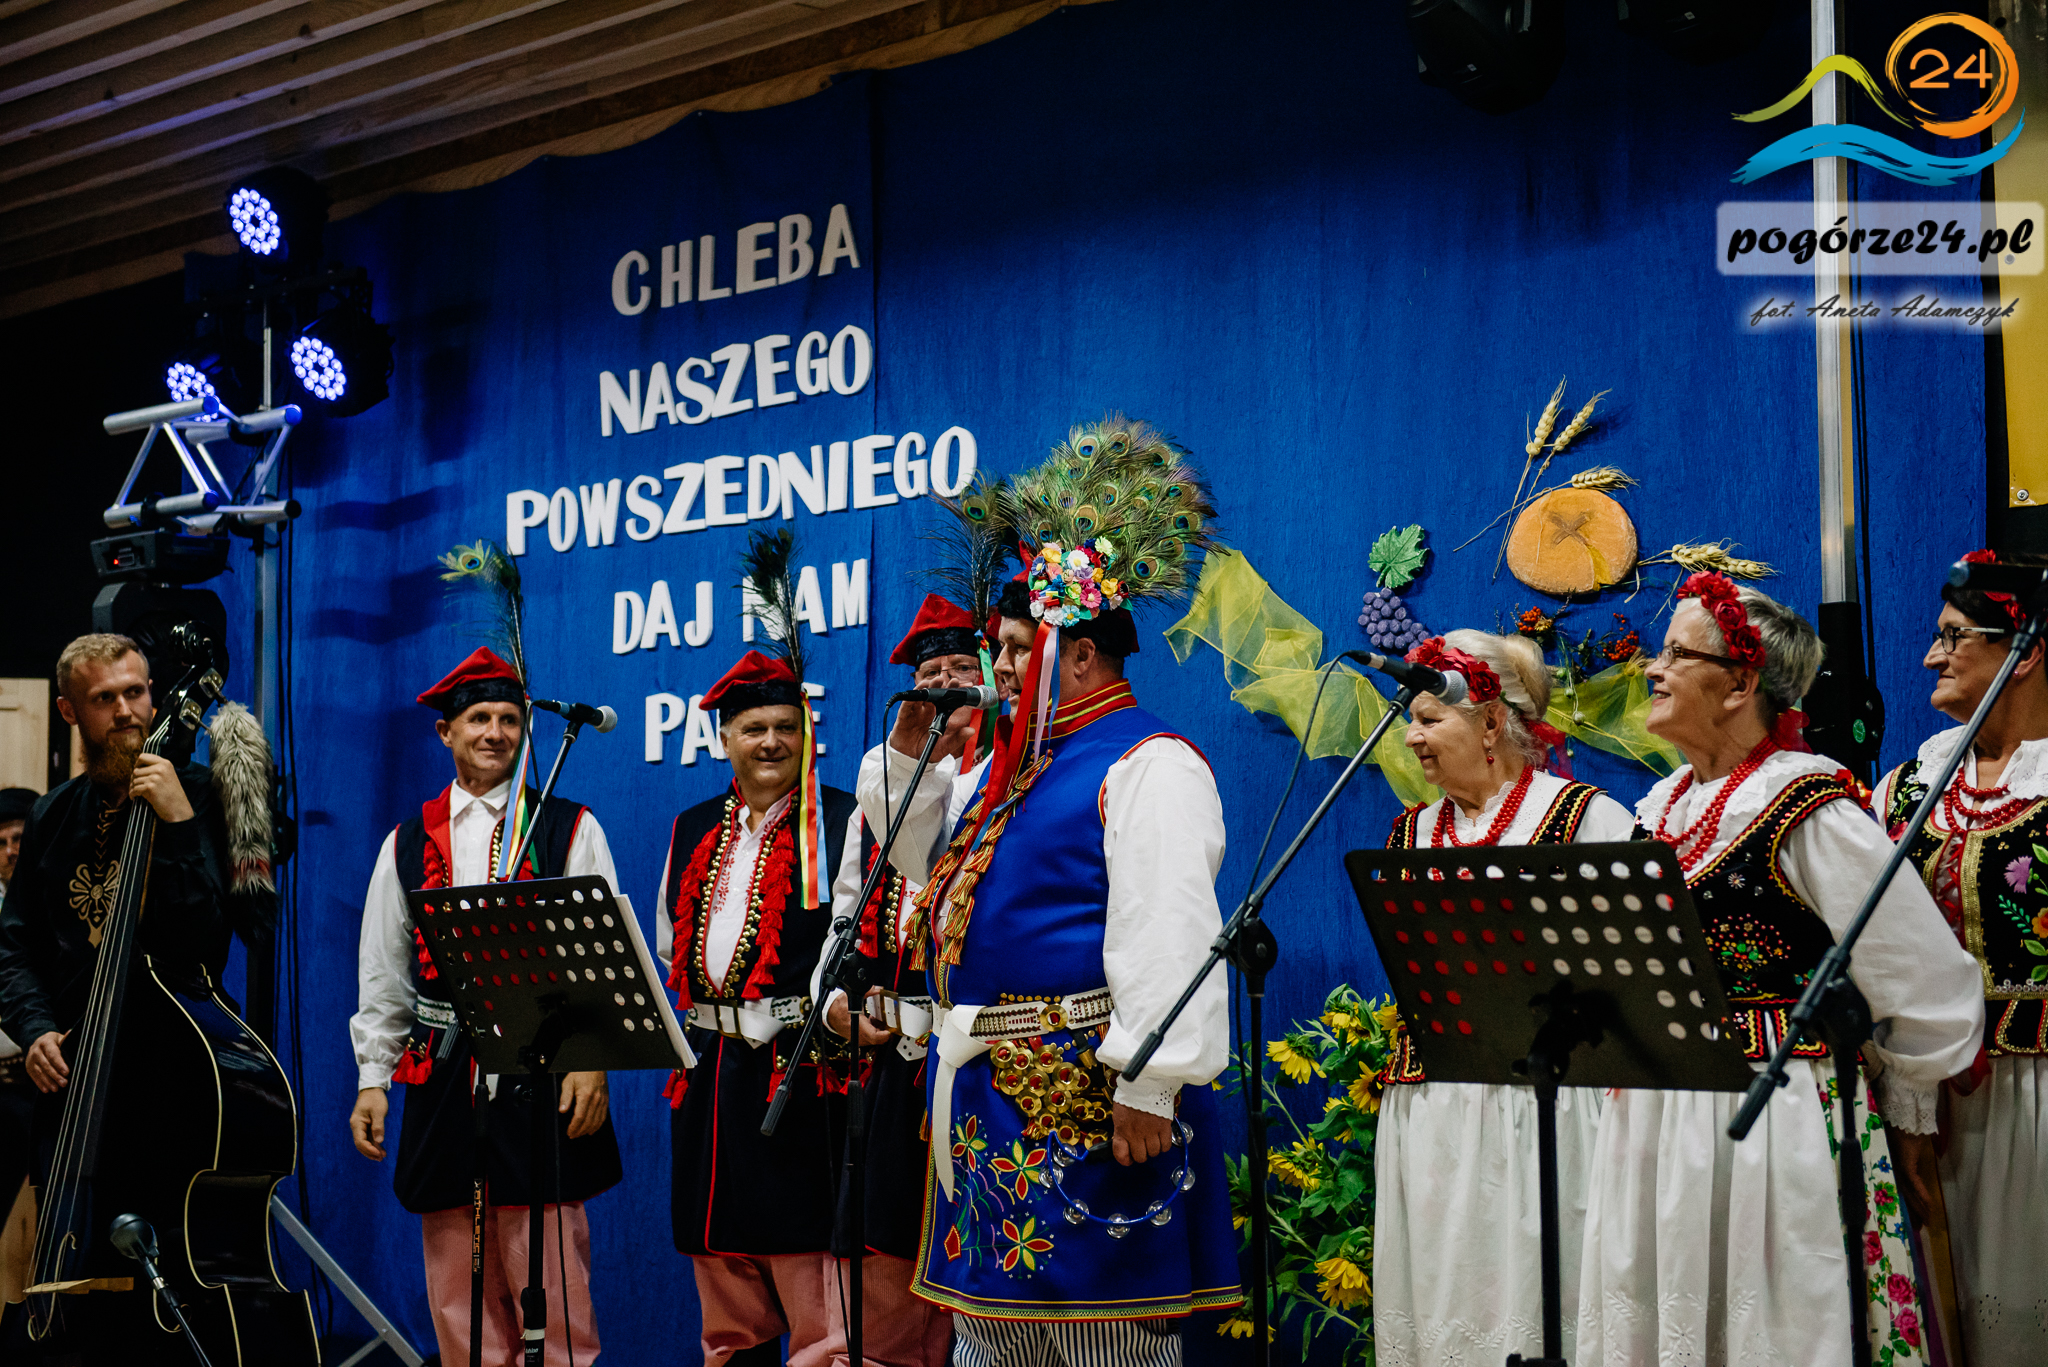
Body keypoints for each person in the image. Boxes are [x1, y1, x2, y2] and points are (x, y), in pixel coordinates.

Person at [866, 420, 1242, 1366]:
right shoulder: (1015, 772)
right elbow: (925, 870)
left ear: (1077, 656)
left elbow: (1171, 931)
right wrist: (909, 760)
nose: (995, 667)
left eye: (1012, 647)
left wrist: (1149, 1081)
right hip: (994, 1108)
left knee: (1105, 1344)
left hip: (1088, 1104)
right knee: (995, 1345)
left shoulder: (1147, 761)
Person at [1575, 574, 1984, 1367]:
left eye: (1677, 653)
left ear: (1740, 683)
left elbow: (1917, 969)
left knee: (1772, 1318)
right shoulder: (1660, 808)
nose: (1654, 668)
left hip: (1773, 1112)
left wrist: (1908, 1112)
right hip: (1659, 1115)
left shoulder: (1805, 803)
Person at [348, 646, 621, 1366]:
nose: (495, 732)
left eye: (508, 718)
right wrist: (373, 1078)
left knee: (553, 1282)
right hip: (444, 1077)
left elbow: (602, 957)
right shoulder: (407, 842)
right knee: (457, 1292)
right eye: (478, 719)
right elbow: (384, 972)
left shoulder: (568, 826)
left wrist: (590, 1061)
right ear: (446, 732)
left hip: (544, 1069)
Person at [1372, 632, 1634, 1367]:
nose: (1412, 737)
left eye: (1429, 719)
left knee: (1550, 1294)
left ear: (1490, 722)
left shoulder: (1584, 820)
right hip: (1436, 1108)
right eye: (1411, 720)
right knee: (1448, 1300)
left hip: (1552, 1107)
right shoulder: (1409, 835)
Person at [0, 633, 248, 1362]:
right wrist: (35, 1027)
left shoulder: (205, 797)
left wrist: (177, 822)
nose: (126, 712)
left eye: (135, 692)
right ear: (69, 711)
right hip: (74, 1088)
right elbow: (14, 949)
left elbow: (211, 937)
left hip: (177, 1086)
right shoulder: (53, 815)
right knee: (71, 1284)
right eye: (104, 698)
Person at [657, 647, 863, 1367]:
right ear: (724, 739)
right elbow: (669, 941)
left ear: (807, 734)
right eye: (753, 728)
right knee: (724, 1289)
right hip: (711, 1077)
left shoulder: (844, 820)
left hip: (801, 1071)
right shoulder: (691, 827)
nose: (771, 741)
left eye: (786, 726)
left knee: (814, 1292)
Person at [1871, 548, 2048, 1364]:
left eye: (1952, 636)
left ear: (2025, 650)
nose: (1928, 657)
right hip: (1928, 1097)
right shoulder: (1910, 786)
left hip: (2036, 1095)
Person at [818, 594, 994, 1367]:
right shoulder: (883, 785)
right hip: (896, 1069)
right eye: (930, 674)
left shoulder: (1007, 781)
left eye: (961, 666)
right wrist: (832, 1002)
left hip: (981, 1063)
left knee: (980, 1265)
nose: (946, 683)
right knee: (883, 1272)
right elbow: (846, 914)